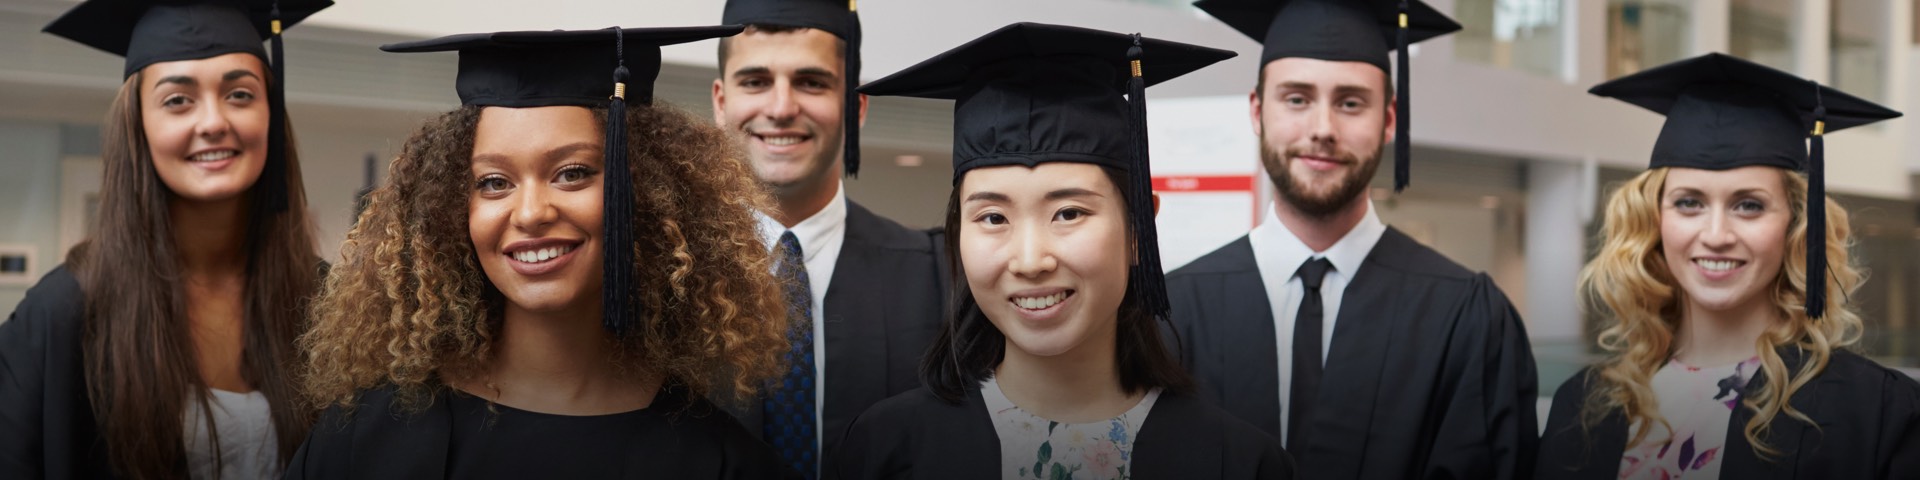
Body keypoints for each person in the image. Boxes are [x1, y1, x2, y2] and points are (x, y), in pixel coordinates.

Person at [284, 25, 798, 479]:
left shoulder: (721, 463)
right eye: (493, 182)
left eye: (572, 173)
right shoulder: (368, 436)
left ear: (645, 192)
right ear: (449, 212)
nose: (530, 213)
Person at [831, 22, 1290, 480]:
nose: (1030, 260)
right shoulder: (887, 450)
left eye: (1068, 213)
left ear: (1138, 228)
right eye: (993, 218)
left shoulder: (1239, 464)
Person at [1166, 1, 1538, 478]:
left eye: (1350, 102)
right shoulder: (1174, 313)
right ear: (1258, 111)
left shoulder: (1466, 316)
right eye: (1296, 99)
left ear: (1388, 120)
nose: (1323, 130)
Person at [1535, 52, 1920, 479]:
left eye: (1749, 205)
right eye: (1689, 203)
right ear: (1654, 220)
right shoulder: (1585, 405)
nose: (1716, 234)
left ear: (1795, 224)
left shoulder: (1875, 412)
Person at [1, 1, 330, 478]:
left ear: (271, 114)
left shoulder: (327, 303)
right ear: (138, 126)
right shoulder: (63, 313)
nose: (214, 121)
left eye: (240, 94)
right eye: (178, 100)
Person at [711, 0, 947, 475]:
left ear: (855, 106)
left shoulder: (938, 277)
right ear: (721, 102)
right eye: (755, 82)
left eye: (811, 82)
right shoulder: (662, 278)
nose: (780, 108)